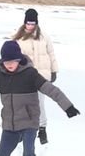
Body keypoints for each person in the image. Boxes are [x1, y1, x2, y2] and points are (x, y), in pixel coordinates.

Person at [12, 8, 59, 144]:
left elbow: (51, 53)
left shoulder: (44, 36)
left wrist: (54, 70)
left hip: (41, 76)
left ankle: (42, 129)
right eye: (28, 23)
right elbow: (12, 57)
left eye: (33, 24)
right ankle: (21, 131)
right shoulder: (18, 37)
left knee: (39, 103)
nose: (30, 26)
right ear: (24, 23)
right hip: (24, 76)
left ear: (36, 23)